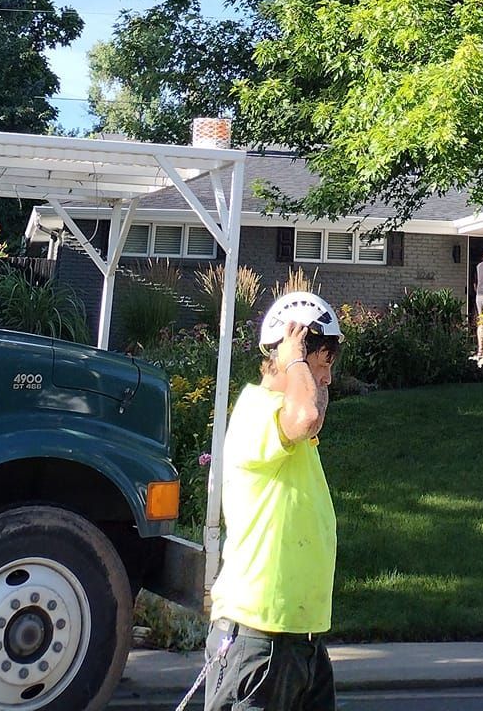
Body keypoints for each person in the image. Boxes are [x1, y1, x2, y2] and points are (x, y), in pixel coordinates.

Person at [205, 289, 343, 711]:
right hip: (258, 639)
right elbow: (305, 416)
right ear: (290, 356)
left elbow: (309, 418)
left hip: (299, 639)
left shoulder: (290, 429)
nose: (327, 378)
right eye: (322, 364)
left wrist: (303, 364)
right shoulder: (258, 413)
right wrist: (296, 356)